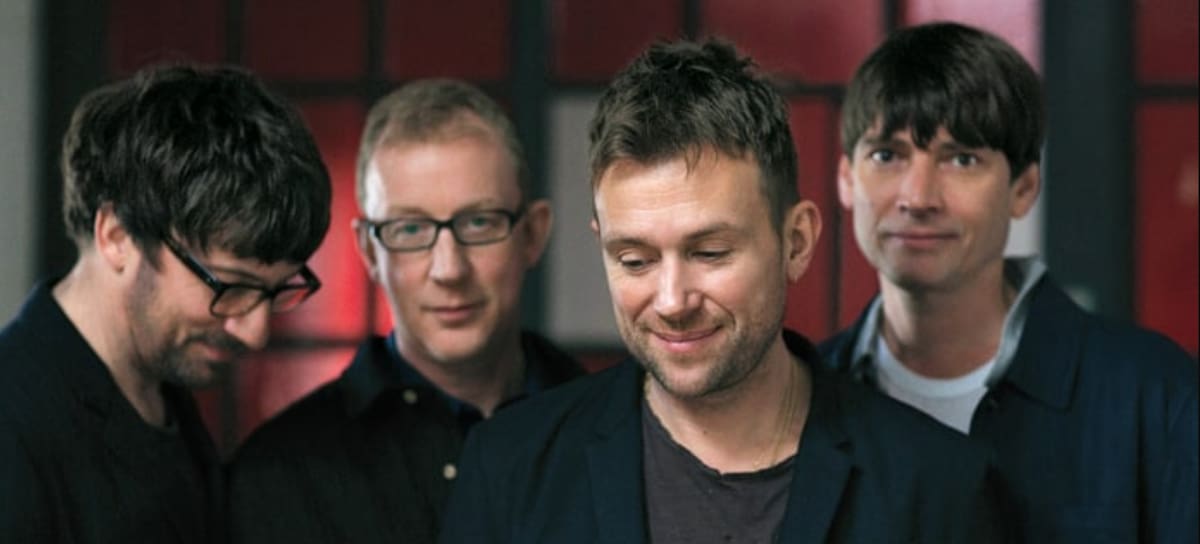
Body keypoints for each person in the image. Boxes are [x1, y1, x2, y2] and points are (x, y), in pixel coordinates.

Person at [440, 39, 1007, 544]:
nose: (672, 301)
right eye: (635, 260)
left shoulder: (937, 488)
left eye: (709, 253)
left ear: (796, 242)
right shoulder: (508, 469)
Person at [822, 21, 1198, 542]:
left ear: (1023, 188)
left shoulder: (1157, 397)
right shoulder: (802, 401)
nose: (918, 197)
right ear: (846, 178)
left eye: (962, 159)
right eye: (887, 155)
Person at [228, 79, 584, 543]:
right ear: (369, 252)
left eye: (479, 222)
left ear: (532, 235)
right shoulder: (278, 474)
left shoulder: (618, 428)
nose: (449, 270)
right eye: (410, 230)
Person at [0, 64, 331, 543]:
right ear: (118, 236)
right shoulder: (13, 423)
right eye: (230, 286)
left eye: (275, 291)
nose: (255, 332)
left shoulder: (165, 394)